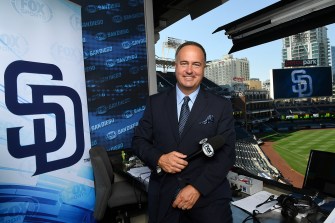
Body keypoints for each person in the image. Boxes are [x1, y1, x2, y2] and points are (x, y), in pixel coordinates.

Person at [132, 41, 236, 223]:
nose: (189, 70)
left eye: (196, 64)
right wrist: (159, 158)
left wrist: (197, 188)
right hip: (165, 200)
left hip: (209, 202)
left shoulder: (221, 105)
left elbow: (226, 154)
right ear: (175, 66)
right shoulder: (155, 103)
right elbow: (139, 140)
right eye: (184, 63)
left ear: (204, 68)